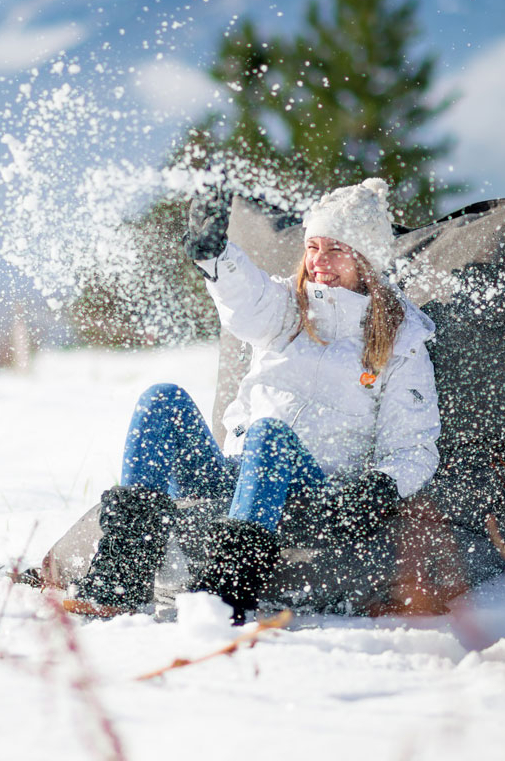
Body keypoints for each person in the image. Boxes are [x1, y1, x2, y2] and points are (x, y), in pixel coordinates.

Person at [65, 178, 441, 624]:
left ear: (366, 260)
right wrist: (214, 255)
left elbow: (413, 446)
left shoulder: (402, 343)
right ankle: (122, 574)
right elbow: (245, 299)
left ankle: (226, 593)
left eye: (336, 249)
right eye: (313, 246)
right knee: (161, 398)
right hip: (237, 474)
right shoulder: (286, 307)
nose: (319, 261)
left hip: (312, 492)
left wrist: (381, 485)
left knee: (271, 433)